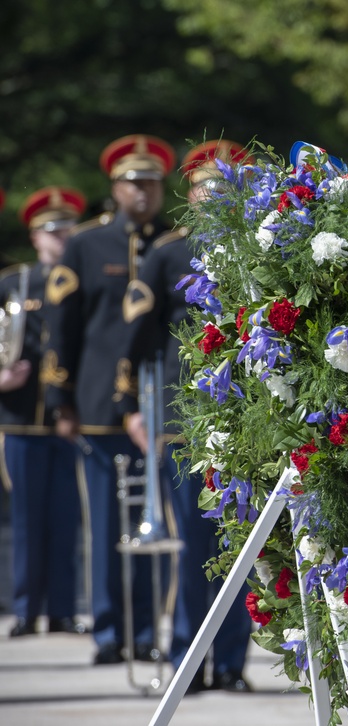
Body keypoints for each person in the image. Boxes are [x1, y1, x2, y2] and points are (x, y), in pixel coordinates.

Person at [119, 140, 254, 691]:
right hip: (184, 422)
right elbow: (136, 342)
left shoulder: (260, 249)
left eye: (226, 185)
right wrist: (131, 409)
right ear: (191, 194)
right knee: (194, 550)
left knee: (240, 548)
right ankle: (187, 662)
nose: (214, 196)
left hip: (249, 421)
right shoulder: (169, 254)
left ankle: (229, 665)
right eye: (205, 187)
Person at [43, 134, 175, 664]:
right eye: (132, 182)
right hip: (98, 405)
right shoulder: (85, 245)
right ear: (115, 188)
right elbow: (61, 326)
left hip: (162, 408)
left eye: (151, 183)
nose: (142, 192)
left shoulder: (174, 242)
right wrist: (60, 399)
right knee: (105, 524)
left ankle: (145, 633)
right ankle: (107, 631)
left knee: (154, 525)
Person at [2, 186, 87, 637]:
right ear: (35, 237)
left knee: (66, 519)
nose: (60, 238)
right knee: (27, 519)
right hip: (20, 419)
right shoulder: (14, 284)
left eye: (66, 230)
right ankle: (24, 610)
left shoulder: (81, 279)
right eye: (51, 232)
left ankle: (62, 609)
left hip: (70, 417)